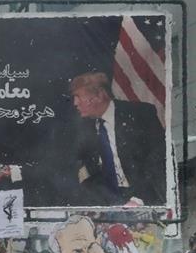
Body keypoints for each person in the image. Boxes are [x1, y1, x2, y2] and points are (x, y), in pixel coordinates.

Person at [70, 71, 166, 206]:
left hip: (146, 198)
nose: (75, 103)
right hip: (111, 203)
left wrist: (139, 199)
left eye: (78, 96)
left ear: (99, 95)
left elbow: (156, 162)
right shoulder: (84, 130)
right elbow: (87, 176)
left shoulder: (141, 114)